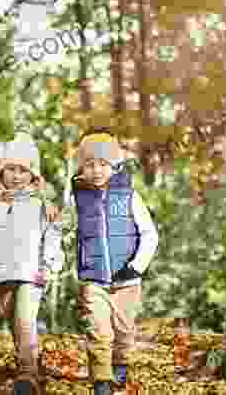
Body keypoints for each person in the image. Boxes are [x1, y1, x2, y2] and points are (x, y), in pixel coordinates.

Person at [0, 132, 64, 395]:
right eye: (11, 169)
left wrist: (50, 264)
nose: (17, 175)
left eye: (23, 170)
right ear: (1, 171)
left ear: (33, 175)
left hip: (32, 270)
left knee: (25, 319)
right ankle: (32, 364)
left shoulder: (42, 204)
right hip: (1, 271)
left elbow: (53, 233)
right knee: (13, 321)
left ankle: (27, 376)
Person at [70, 129, 159, 395]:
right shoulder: (76, 200)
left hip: (127, 279)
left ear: (114, 165)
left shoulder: (129, 196)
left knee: (123, 329)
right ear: (82, 168)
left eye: (103, 164)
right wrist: (50, 260)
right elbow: (59, 230)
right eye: (90, 164)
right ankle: (101, 380)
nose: (97, 170)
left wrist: (137, 265)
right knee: (98, 331)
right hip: (92, 278)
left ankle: (121, 362)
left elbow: (150, 234)